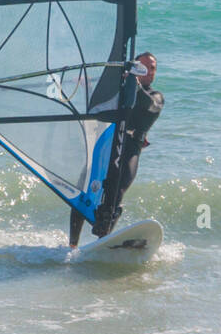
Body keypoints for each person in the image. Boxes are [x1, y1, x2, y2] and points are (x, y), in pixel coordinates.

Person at [68, 52, 164, 246]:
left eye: (152, 68)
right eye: (144, 67)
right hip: (106, 145)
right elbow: (98, 103)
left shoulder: (156, 97)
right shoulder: (119, 91)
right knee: (84, 187)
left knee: (118, 188)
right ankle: (72, 244)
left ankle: (103, 239)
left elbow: (148, 105)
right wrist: (90, 83)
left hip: (130, 148)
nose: (150, 72)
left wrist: (133, 85)